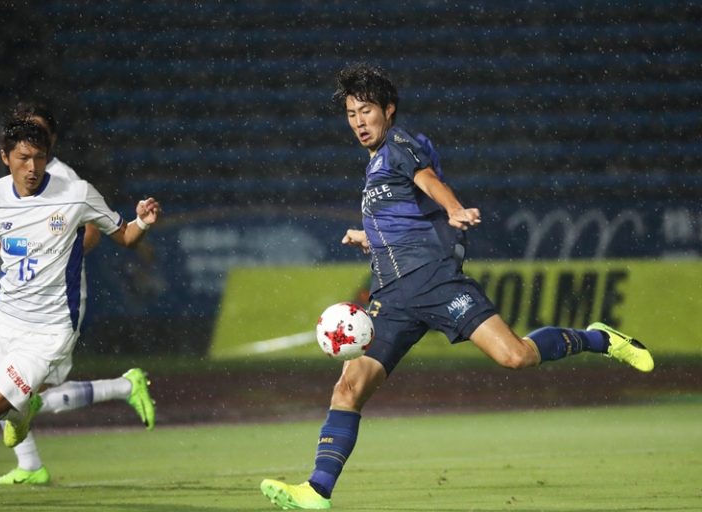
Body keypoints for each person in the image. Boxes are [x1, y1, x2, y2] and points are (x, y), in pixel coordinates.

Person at [260, 63, 654, 510]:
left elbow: (430, 181)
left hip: (436, 281)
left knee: (516, 357)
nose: (358, 122)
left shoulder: (399, 145)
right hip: (391, 299)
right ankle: (316, 490)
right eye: (351, 114)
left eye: (366, 111)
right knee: (348, 389)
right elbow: (406, 217)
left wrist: (454, 208)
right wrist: (368, 237)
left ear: (388, 110)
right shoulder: (375, 167)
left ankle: (600, 338)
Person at [0, 119, 161, 479]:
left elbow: (125, 236)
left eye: (39, 157)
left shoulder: (76, 192)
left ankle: (22, 439)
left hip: (48, 332)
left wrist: (143, 222)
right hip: (2, 322)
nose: (32, 167)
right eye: (23, 158)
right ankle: (20, 412)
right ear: (5, 157)